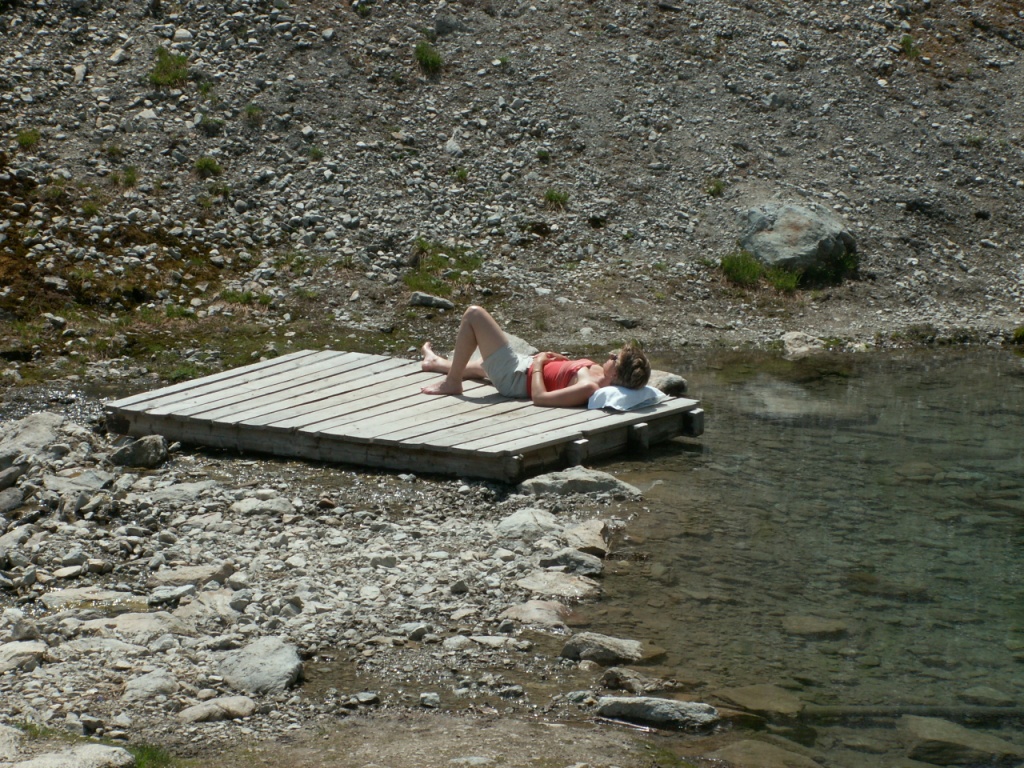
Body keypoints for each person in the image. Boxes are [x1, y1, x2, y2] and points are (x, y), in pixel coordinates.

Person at [420, 305, 650, 408]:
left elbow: (540, 398)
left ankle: (453, 382)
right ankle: (436, 363)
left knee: (474, 314)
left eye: (614, 357)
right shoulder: (600, 373)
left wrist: (539, 364)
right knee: (481, 365)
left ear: (616, 373)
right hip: (524, 368)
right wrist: (558, 358)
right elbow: (564, 374)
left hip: (516, 378)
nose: (610, 355)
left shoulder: (589, 387)